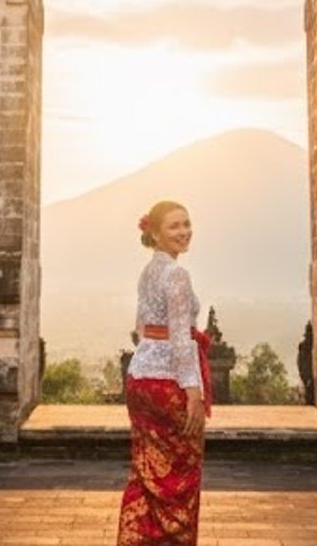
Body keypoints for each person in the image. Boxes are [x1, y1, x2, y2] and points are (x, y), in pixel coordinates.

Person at [116, 199, 210, 545]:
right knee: (180, 479)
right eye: (174, 226)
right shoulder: (176, 273)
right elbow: (182, 340)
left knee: (147, 474)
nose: (184, 232)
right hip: (169, 383)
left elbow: (142, 328)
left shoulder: (149, 271)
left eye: (186, 224)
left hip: (140, 379)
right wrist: (193, 391)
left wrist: (153, 352)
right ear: (154, 234)